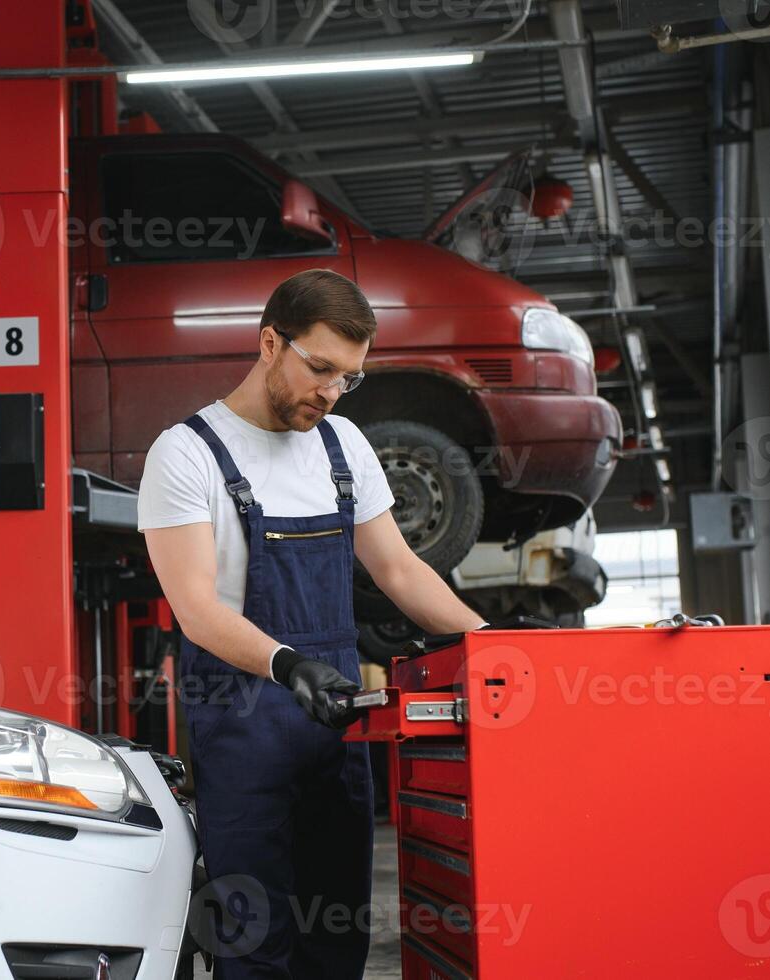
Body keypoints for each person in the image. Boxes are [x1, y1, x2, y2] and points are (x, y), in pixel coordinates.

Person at [137, 269, 487, 979]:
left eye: (347, 378)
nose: (330, 391)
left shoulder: (343, 446)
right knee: (254, 942)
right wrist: (289, 664)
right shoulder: (187, 453)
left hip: (333, 730)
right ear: (270, 343)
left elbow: (398, 570)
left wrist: (498, 646)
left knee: (336, 939)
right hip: (241, 728)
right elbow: (196, 608)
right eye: (320, 368)